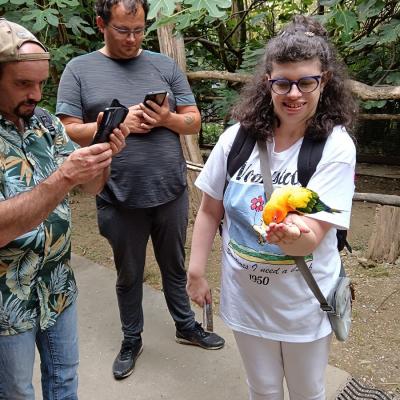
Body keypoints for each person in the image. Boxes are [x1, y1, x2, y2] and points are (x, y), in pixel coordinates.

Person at [187, 15, 357, 400]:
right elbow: (210, 210)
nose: (293, 93)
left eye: (306, 82)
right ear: (268, 82)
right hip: (246, 300)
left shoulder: (334, 147)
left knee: (306, 392)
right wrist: (196, 271)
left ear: (323, 81)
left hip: (302, 305)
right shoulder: (238, 139)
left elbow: (311, 238)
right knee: (262, 389)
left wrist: (288, 236)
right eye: (282, 82)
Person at [56, 0, 225, 381]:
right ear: (101, 24)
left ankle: (186, 325)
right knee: (129, 272)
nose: (132, 39)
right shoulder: (79, 69)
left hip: (170, 190)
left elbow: (193, 121)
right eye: (122, 30)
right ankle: (132, 338)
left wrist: (166, 118)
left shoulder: (165, 65)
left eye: (139, 30)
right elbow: (66, 129)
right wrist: (116, 121)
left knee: (175, 266)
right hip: (117, 192)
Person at [0, 18, 128, 400]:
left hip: (57, 287)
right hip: (8, 303)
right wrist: (62, 178)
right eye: (23, 84)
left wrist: (103, 157)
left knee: (65, 382)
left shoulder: (44, 123)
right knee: (17, 393)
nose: (37, 94)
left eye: (41, 83)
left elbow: (89, 186)